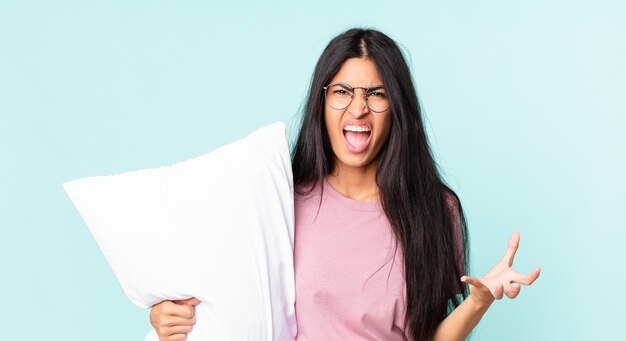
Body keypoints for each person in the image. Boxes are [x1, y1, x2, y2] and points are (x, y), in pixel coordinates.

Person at [149, 28, 540, 341]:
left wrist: (478, 302)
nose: (358, 108)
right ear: (322, 103)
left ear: (397, 108)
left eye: (376, 94)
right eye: (341, 92)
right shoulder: (281, 199)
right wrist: (169, 317)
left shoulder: (434, 209)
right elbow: (231, 300)